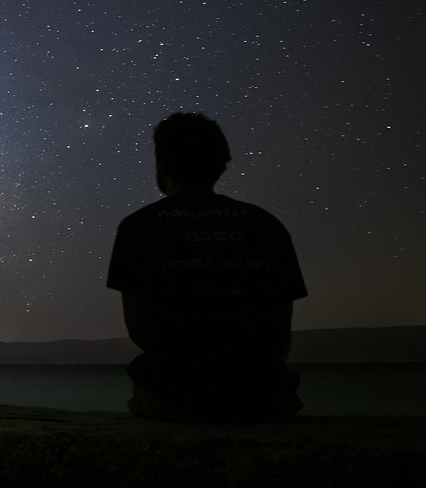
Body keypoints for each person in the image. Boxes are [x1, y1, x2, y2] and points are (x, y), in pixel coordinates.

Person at [107, 112, 307, 421]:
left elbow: (141, 331)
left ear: (162, 164)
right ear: (220, 164)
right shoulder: (265, 225)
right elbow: (278, 332)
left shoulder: (139, 227)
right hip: (261, 394)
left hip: (175, 395)